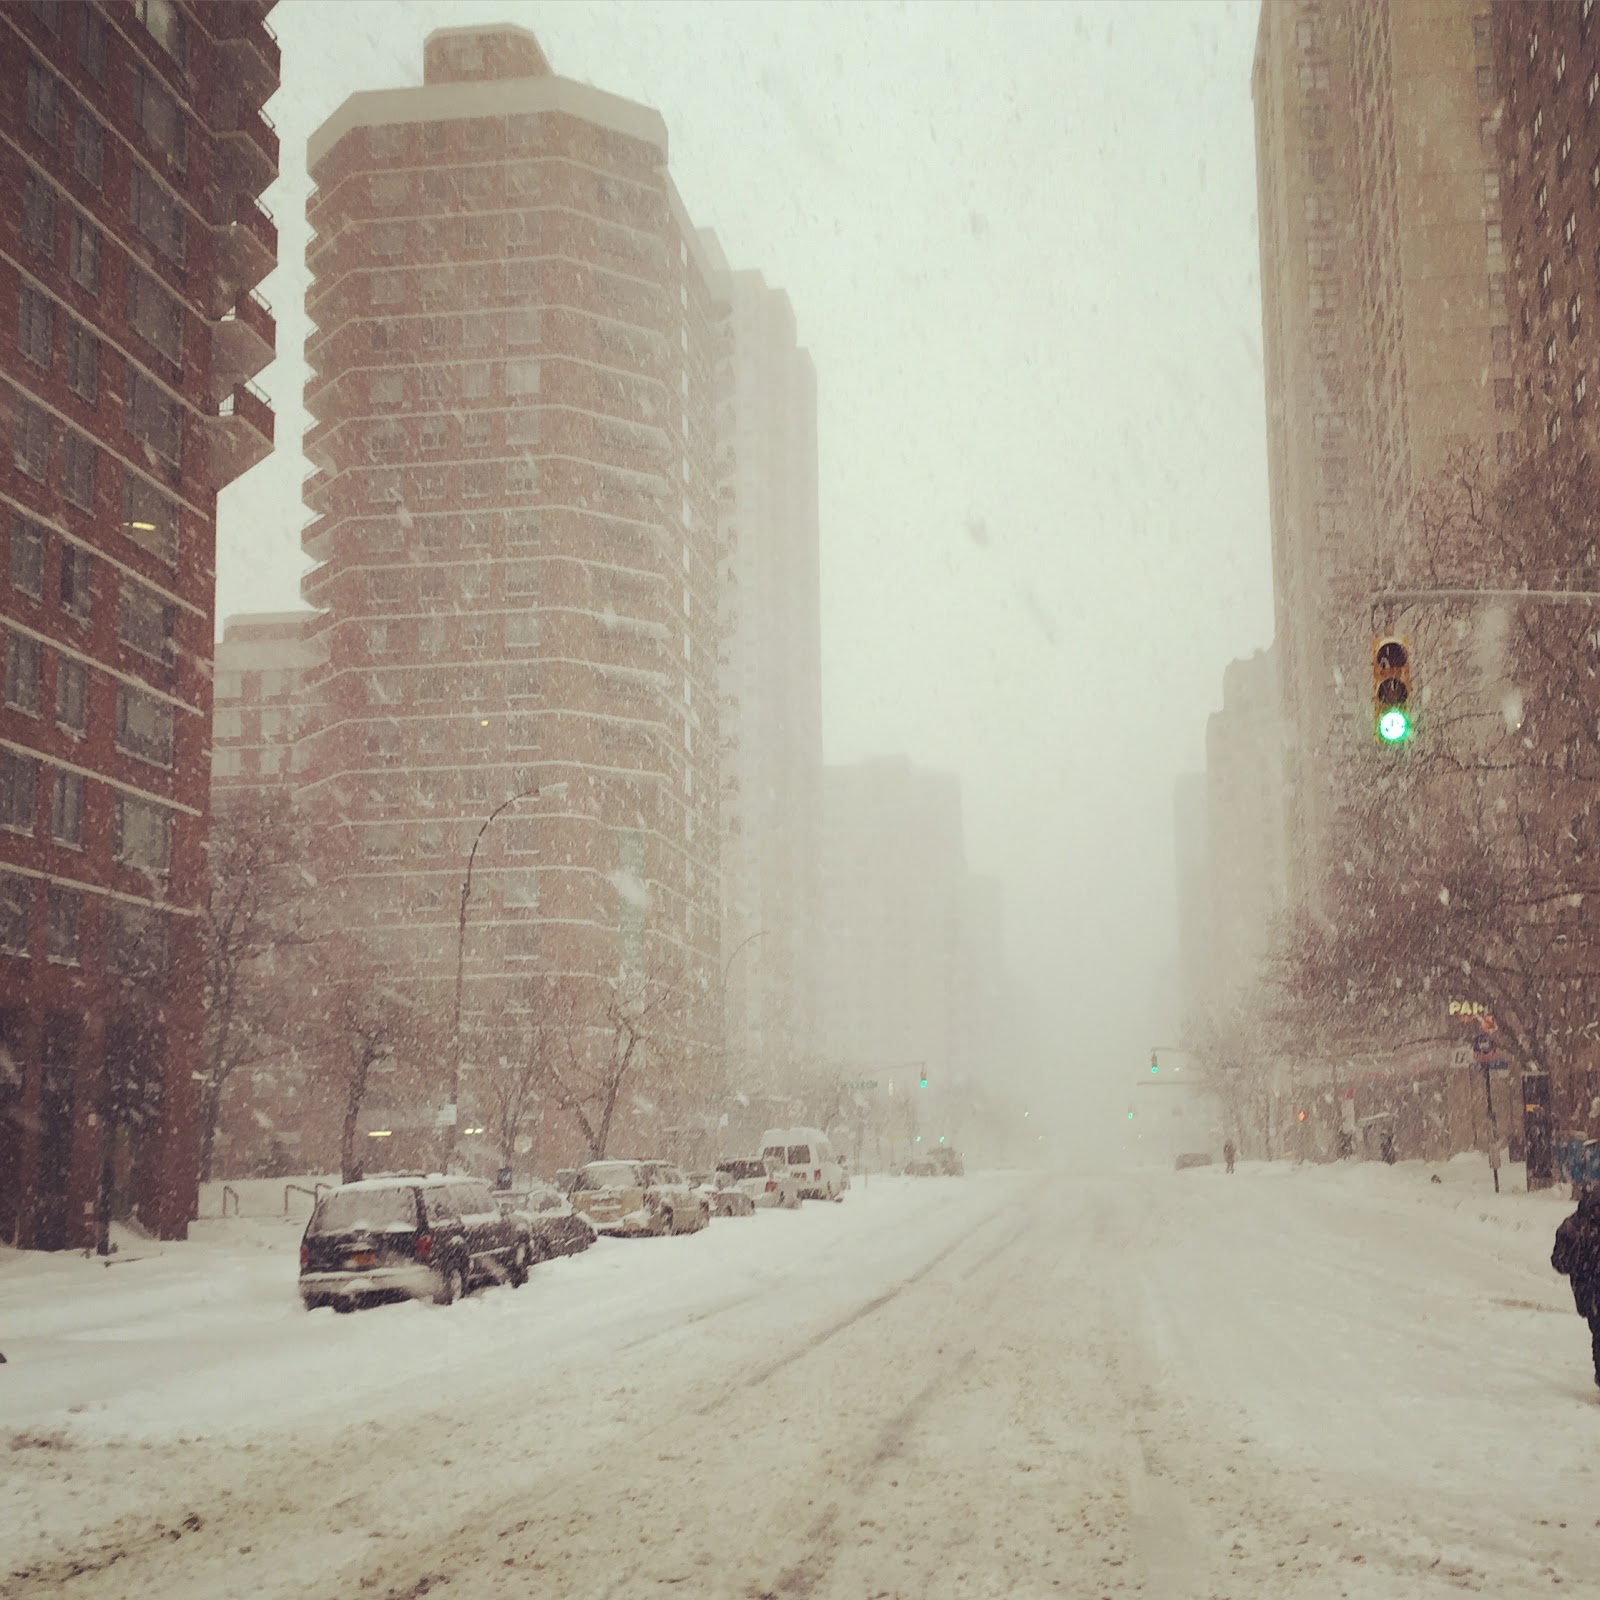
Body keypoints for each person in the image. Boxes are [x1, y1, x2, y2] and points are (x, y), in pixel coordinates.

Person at [1551, 1187, 1600, 1390]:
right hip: (1590, 1291)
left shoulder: (1573, 1226)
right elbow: (1560, 1261)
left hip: (1588, 1291)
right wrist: (1581, 1262)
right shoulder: (1575, 1227)